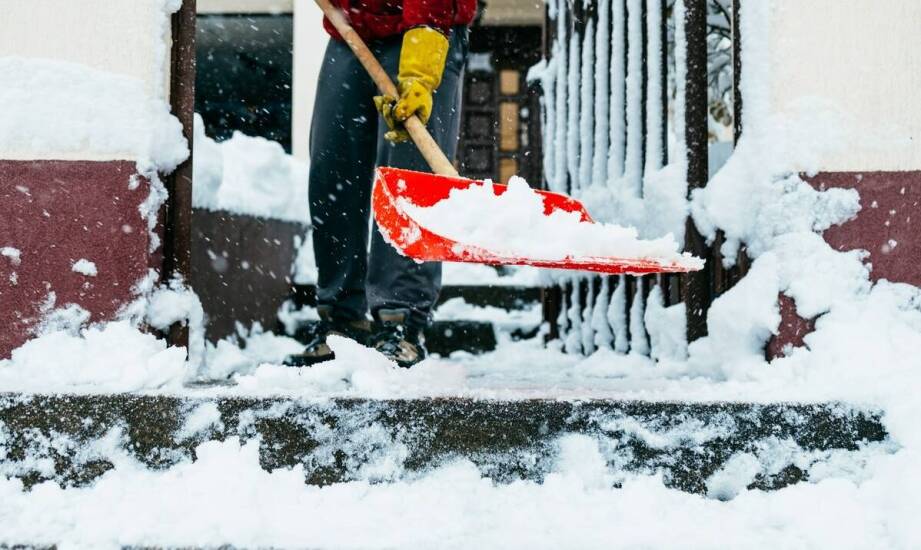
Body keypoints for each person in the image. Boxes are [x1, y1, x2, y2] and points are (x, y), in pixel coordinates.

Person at [285, 0, 475, 368]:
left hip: (426, 25)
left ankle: (401, 319)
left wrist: (420, 69)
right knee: (332, 170)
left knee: (410, 180)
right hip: (350, 26)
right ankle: (342, 318)